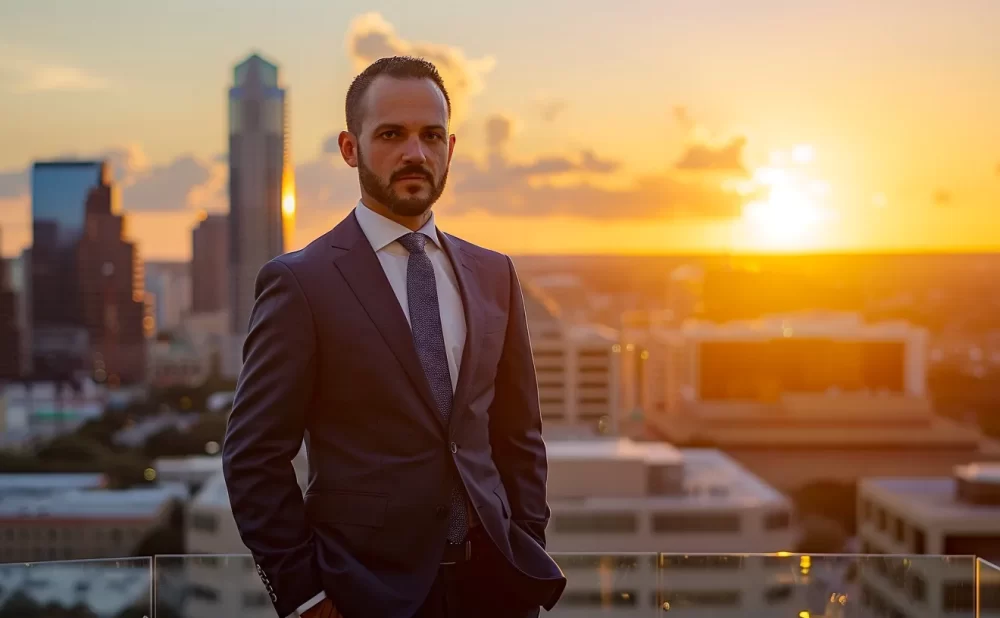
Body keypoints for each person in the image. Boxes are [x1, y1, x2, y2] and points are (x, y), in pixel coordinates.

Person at [222, 55, 566, 618]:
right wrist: (307, 597)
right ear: (349, 148)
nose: (415, 153)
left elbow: (518, 434)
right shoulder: (301, 283)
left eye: (431, 136)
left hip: (494, 590)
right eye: (391, 134)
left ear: (450, 149)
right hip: (362, 596)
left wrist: (525, 547)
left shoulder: (494, 274)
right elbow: (253, 457)